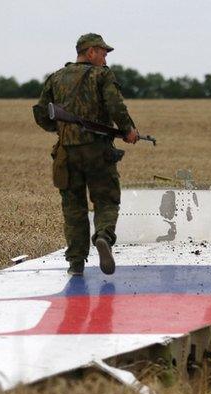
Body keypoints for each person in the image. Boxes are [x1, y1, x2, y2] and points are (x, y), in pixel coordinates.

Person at [34, 33, 139, 276]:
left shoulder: (55, 78)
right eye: (103, 53)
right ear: (90, 52)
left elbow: (41, 114)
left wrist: (61, 129)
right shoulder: (102, 75)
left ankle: (76, 263)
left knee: (73, 209)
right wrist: (128, 130)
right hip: (97, 151)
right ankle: (102, 236)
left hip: (66, 154)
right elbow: (116, 106)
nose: (105, 58)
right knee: (106, 200)